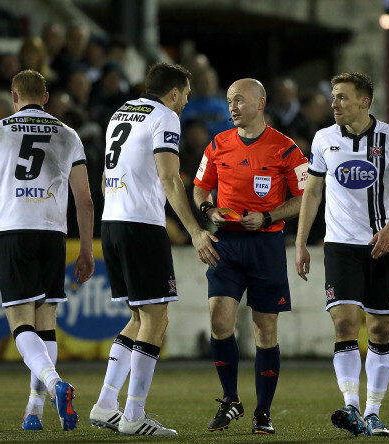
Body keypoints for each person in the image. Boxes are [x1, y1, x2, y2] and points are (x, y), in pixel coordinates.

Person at [88, 62, 219, 436]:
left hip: (112, 222)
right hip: (140, 226)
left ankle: (105, 405)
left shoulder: (121, 112)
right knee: (157, 319)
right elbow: (168, 177)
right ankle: (134, 415)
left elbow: (106, 173)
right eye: (186, 96)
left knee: (139, 317)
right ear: (174, 93)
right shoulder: (164, 117)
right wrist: (194, 229)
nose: (186, 104)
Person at [294, 72, 389, 437]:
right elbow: (312, 193)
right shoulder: (323, 139)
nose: (334, 103)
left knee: (381, 328)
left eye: (343, 97)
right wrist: (301, 241)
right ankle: (351, 405)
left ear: (365, 101)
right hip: (340, 245)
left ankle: (374, 411)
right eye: (333, 97)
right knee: (345, 323)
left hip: (383, 244)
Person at [0, 69, 95, 432]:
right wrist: (86, 249)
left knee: (20, 323)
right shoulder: (68, 133)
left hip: (14, 231)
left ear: (14, 97)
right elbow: (85, 201)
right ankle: (34, 411)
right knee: (47, 325)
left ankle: (55, 383)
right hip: (52, 234)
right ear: (45, 98)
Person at [193, 78, 308, 434]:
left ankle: (263, 412)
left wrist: (269, 216)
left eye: (239, 100)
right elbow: (199, 188)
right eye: (230, 100)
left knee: (265, 330)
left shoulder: (285, 148)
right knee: (219, 321)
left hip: (266, 246)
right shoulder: (217, 144)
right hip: (227, 242)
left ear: (260, 102)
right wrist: (209, 211)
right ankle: (230, 401)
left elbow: (306, 196)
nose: (232, 107)